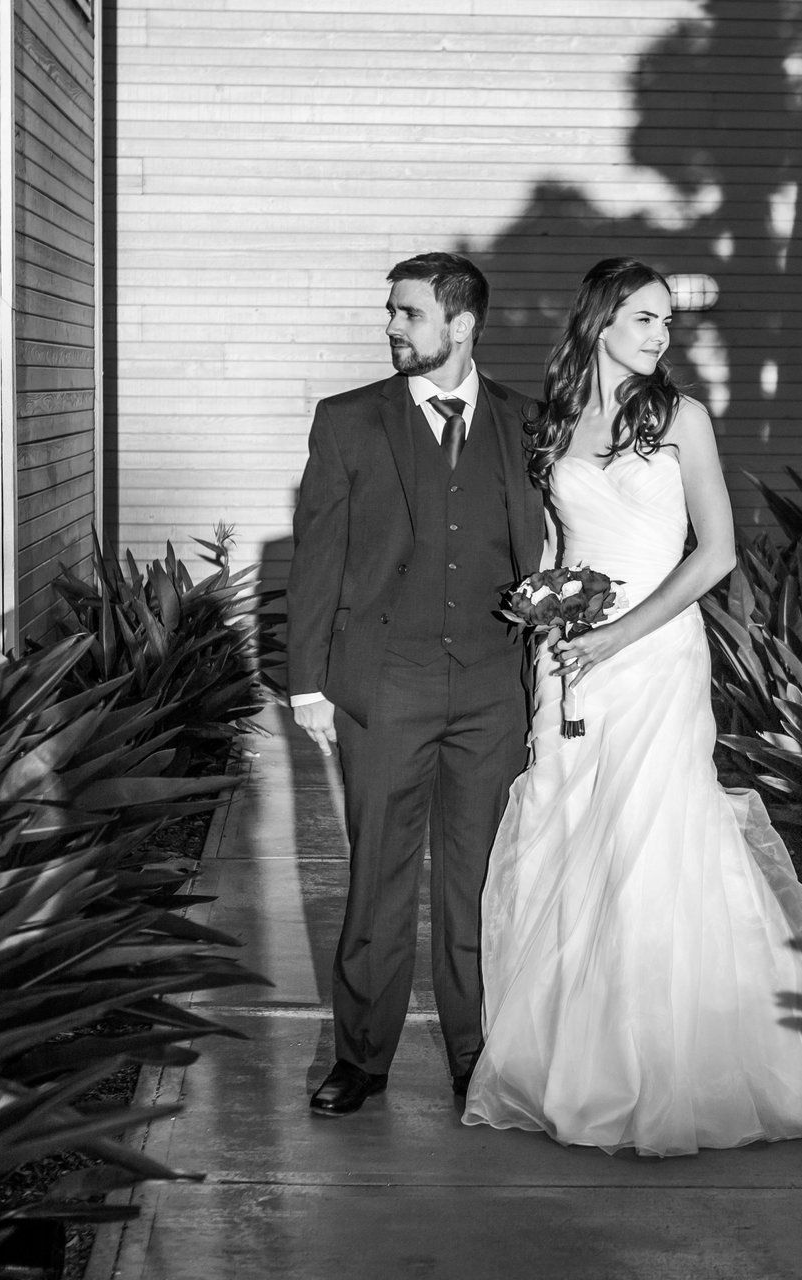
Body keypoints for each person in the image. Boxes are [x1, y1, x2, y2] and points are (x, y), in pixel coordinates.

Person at [461, 258, 802, 1157]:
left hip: (654, 653)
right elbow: (555, 546)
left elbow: (716, 554)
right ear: (600, 321)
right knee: (570, 827)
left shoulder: (681, 418)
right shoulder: (555, 423)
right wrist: (546, 619)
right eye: (645, 318)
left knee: (650, 834)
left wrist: (615, 637)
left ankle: (671, 1064)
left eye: (667, 321)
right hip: (570, 662)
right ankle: (576, 1062)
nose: (661, 335)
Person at [286, 252, 543, 1116]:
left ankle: (477, 1055)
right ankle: (360, 1059)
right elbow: (317, 556)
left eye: (410, 313)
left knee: (478, 882)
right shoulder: (348, 420)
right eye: (392, 312)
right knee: (378, 876)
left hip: (493, 689)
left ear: (461, 325)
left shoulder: (526, 422)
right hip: (385, 684)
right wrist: (307, 685)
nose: (392, 326)